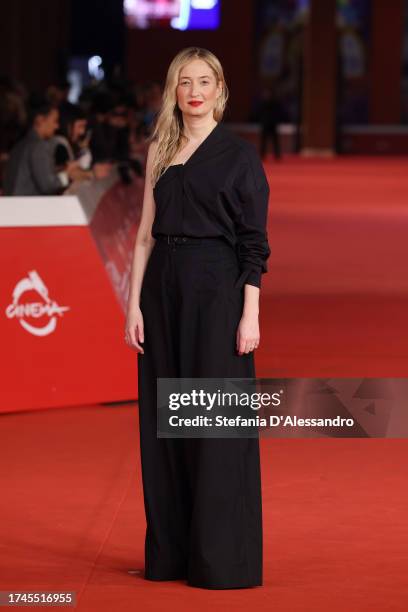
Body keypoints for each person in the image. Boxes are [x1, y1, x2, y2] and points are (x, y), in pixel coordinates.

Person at [125, 47, 271, 590]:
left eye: (204, 81)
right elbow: (143, 236)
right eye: (184, 82)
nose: (194, 90)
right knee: (165, 426)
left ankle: (220, 559)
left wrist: (249, 315)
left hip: (217, 291)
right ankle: (171, 554)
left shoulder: (239, 157)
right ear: (173, 90)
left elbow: (254, 245)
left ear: (220, 90)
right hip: (162, 290)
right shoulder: (159, 150)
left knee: (214, 424)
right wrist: (132, 303)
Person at [3, 99, 77, 196]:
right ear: (40, 120)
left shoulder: (21, 144)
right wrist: (67, 174)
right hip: (26, 207)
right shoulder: (38, 146)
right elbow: (48, 186)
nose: (57, 126)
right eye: (54, 121)